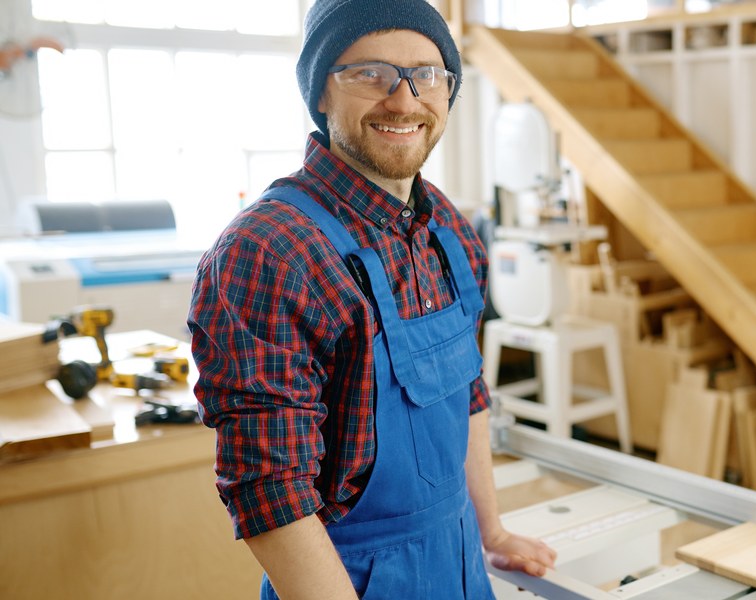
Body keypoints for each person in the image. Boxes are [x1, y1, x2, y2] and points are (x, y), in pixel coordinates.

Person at [187, 1, 557, 598]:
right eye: (370, 74)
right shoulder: (272, 251)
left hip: (461, 562)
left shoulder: (451, 233)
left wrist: (492, 530)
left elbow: (467, 396)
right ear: (321, 93)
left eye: (426, 73)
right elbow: (268, 487)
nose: (405, 100)